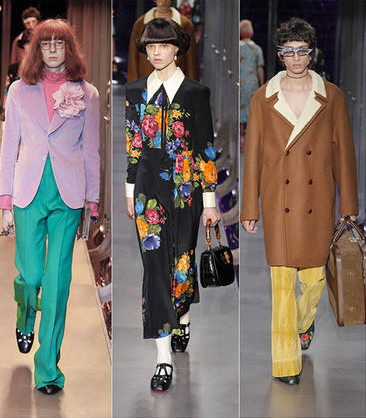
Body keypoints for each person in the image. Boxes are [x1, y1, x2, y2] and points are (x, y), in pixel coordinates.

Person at [241, 17, 358, 385]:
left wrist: (348, 206)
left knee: (314, 281)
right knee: (281, 286)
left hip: (316, 198)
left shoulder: (332, 97)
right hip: (278, 198)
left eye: (301, 51)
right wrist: (249, 206)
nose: (295, 58)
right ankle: (285, 363)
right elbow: (253, 154)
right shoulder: (263, 98)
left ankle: (304, 324)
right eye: (288, 52)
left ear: (312, 53)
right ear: (279, 55)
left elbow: (344, 154)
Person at [0, 18, 101, 395]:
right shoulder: (18, 91)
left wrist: (92, 202)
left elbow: (92, 151)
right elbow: (9, 145)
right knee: (30, 276)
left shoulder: (88, 94)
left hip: (68, 194)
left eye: (60, 43)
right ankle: (25, 314)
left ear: (69, 49)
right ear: (37, 49)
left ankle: (48, 369)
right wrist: (4, 202)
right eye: (46, 43)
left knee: (57, 282)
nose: (53, 49)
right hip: (28, 191)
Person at [124, 18, 221, 391]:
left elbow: (205, 148)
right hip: (147, 189)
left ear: (177, 49)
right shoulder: (135, 91)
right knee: (154, 269)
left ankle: (183, 314)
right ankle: (163, 358)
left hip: (186, 190)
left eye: (163, 45)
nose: (156, 52)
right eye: (151, 46)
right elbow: (133, 143)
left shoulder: (196, 93)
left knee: (182, 261)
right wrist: (129, 190)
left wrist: (210, 201)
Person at [128, 0, 199, 81]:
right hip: (146, 77)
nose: (164, 1)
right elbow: (133, 57)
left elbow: (191, 60)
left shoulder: (185, 24)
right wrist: (133, 84)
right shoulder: (140, 24)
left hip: (176, 79)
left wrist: (192, 85)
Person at [239, 19, 264, 149]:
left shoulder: (237, 48)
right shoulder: (257, 49)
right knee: (251, 110)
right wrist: (262, 82)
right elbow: (260, 67)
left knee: (240, 109)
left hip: (239, 83)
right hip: (252, 84)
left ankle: (241, 137)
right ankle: (249, 137)